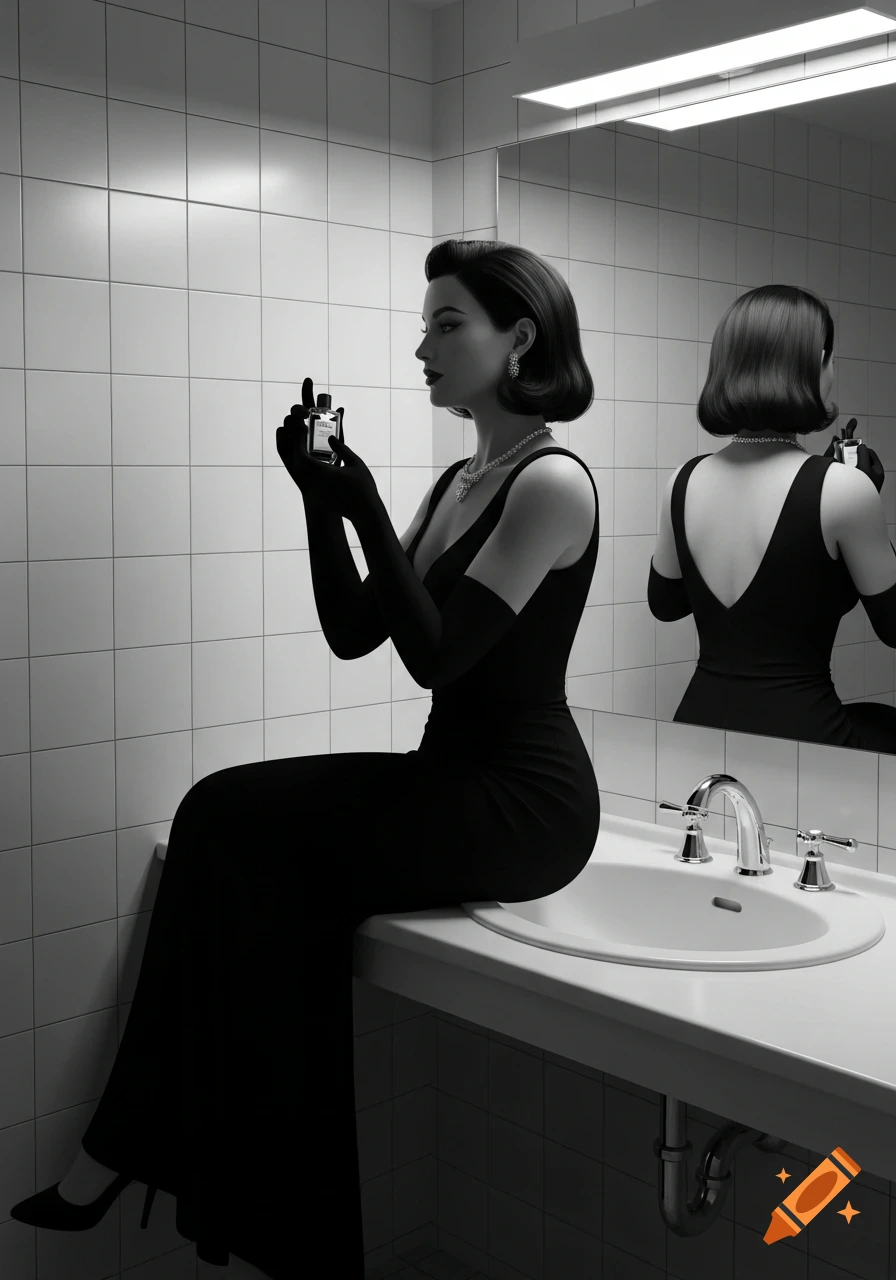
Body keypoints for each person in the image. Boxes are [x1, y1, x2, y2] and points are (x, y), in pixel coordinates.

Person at [9, 240, 602, 1277]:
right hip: (449, 779)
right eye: (424, 323)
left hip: (522, 805)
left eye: (445, 323)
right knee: (217, 817)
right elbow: (352, 628)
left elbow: (435, 654)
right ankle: (161, 1162)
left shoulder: (549, 482)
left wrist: (367, 499)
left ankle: (199, 1186)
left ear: (519, 338)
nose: (420, 344)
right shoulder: (464, 478)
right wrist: (318, 498)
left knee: (242, 831)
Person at [647, 283, 896, 753]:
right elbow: (893, 627)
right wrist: (858, 494)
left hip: (699, 730)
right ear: (817, 363)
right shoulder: (843, 489)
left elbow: (666, 604)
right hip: (802, 741)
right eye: (831, 358)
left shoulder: (682, 479)